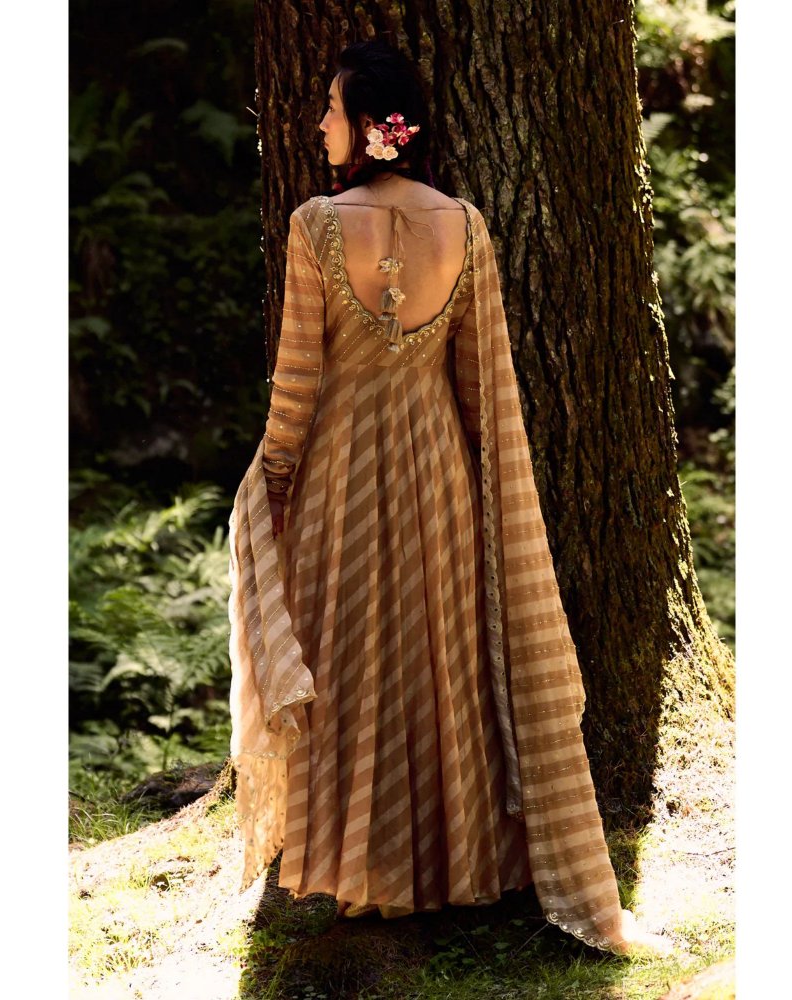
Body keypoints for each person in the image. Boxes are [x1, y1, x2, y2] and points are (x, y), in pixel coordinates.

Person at [227, 39, 672, 958]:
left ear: (370, 126)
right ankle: (451, 865)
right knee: (439, 659)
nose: (318, 124)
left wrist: (268, 483)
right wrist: (479, 485)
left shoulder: (316, 225)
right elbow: (481, 387)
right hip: (440, 471)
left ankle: (369, 869)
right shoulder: (464, 226)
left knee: (352, 660)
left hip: (341, 475)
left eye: (331, 109)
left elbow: (298, 383)